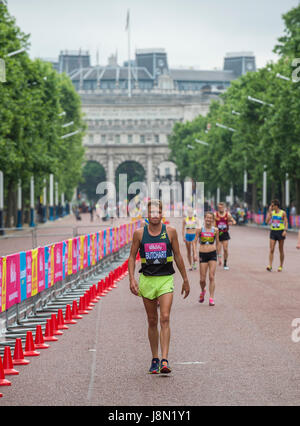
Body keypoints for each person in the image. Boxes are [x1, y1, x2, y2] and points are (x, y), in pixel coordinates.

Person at [128, 199, 190, 375]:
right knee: (152, 320)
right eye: (151, 212)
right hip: (147, 280)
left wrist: (185, 279)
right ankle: (154, 359)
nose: (155, 215)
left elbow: (177, 255)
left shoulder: (170, 232)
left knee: (164, 317)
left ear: (162, 213)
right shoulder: (139, 234)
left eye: (158, 212)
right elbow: (132, 257)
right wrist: (131, 278)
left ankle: (164, 359)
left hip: (165, 279)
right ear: (148, 215)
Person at [193, 211, 221, 306]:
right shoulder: (199, 229)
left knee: (212, 276)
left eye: (210, 218)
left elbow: (217, 243)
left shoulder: (216, 230)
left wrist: (219, 256)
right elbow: (194, 242)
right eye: (207, 217)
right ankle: (203, 291)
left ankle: (211, 298)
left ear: (213, 219)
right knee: (202, 279)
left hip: (212, 254)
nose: (208, 219)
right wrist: (195, 254)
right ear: (204, 219)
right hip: (202, 255)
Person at [265, 199, 288, 272]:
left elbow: (286, 222)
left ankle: (280, 266)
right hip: (273, 232)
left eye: (272, 206)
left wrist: (285, 230)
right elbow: (266, 221)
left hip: (280, 232)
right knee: (271, 249)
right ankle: (270, 265)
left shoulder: (283, 213)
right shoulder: (271, 213)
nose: (271, 207)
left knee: (281, 249)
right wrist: (269, 212)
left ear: (276, 206)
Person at [214, 202, 236, 270]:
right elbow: (213, 224)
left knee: (225, 249)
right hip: (218, 233)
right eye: (219, 207)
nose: (220, 208)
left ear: (224, 207)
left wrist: (231, 222)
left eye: (222, 207)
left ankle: (225, 263)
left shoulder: (227, 214)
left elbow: (234, 221)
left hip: (225, 233)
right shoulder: (215, 214)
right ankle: (219, 258)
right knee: (218, 249)